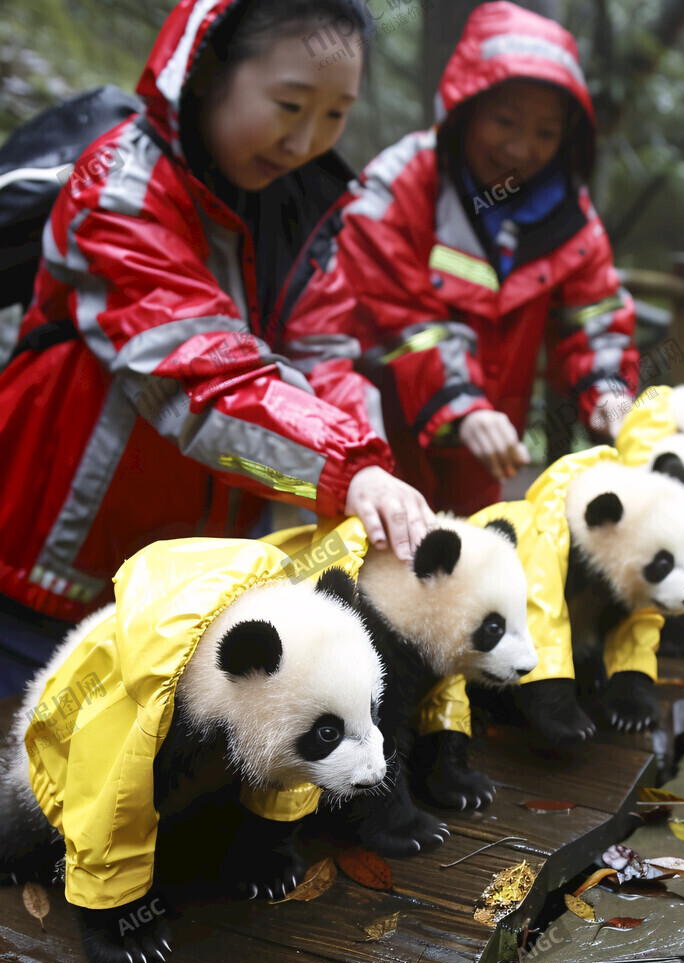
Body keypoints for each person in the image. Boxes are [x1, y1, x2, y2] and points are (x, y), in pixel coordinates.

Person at [0, 0, 432, 697]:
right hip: (50, 568)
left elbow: (326, 357)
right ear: (206, 74)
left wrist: (373, 472)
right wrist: (347, 470)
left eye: (335, 113)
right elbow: (201, 383)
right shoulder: (120, 192)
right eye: (290, 103)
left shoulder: (301, 214)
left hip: (188, 584)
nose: (305, 141)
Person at [339, 0, 640, 515]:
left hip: (488, 462)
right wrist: (461, 404)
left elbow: (594, 322)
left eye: (546, 132)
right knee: (372, 577)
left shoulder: (568, 215)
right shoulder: (395, 191)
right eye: (506, 121)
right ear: (466, 106)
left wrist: (612, 397)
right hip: (378, 450)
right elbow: (396, 319)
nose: (522, 149)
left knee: (470, 577)